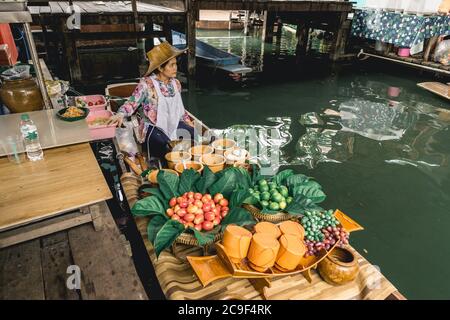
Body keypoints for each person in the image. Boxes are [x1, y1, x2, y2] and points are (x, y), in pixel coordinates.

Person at [108, 41, 195, 160]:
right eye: (171, 65)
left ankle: (187, 163)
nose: (176, 68)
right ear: (160, 67)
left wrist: (187, 120)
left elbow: (180, 108)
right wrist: (120, 114)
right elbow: (132, 103)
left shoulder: (176, 83)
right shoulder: (146, 84)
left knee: (194, 134)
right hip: (153, 126)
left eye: (176, 64)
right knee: (166, 145)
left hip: (174, 122)